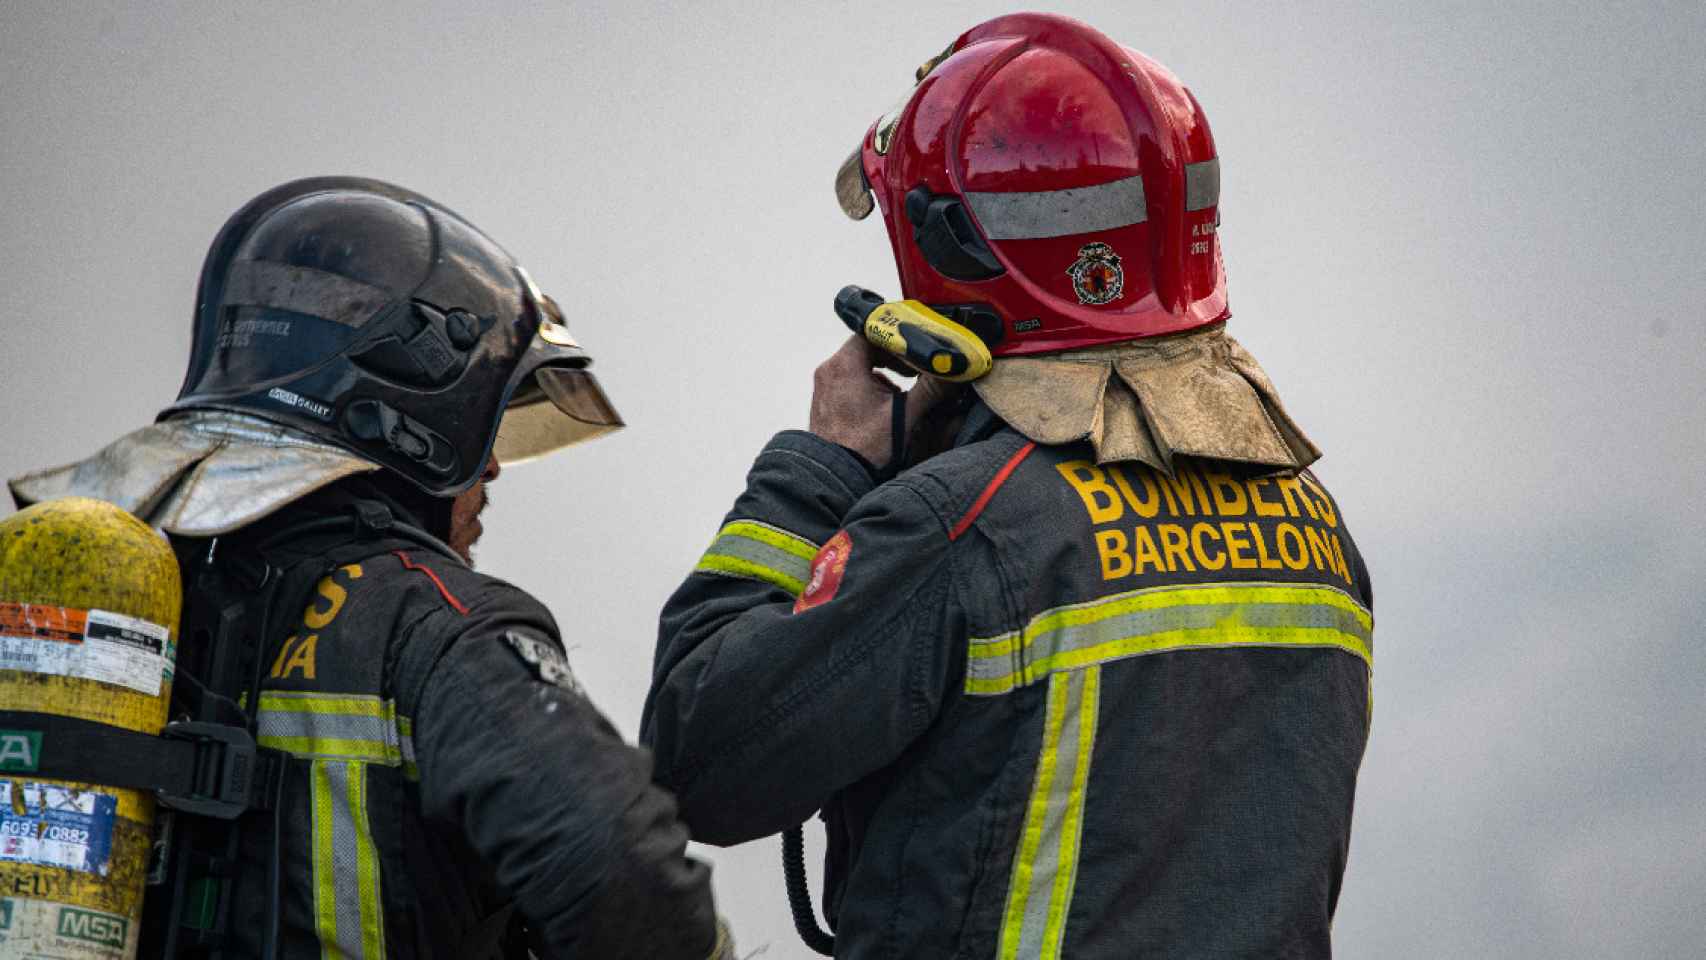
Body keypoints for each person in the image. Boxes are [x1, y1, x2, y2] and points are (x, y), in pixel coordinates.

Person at [642, 13, 1373, 959]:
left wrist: (818, 472)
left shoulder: (958, 529)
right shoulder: (1316, 532)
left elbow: (696, 765)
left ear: (953, 255)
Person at [9, 178, 732, 959]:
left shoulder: (95, 591)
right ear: (414, 416)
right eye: (482, 419)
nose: (490, 468)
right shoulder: (439, 627)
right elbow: (627, 884)